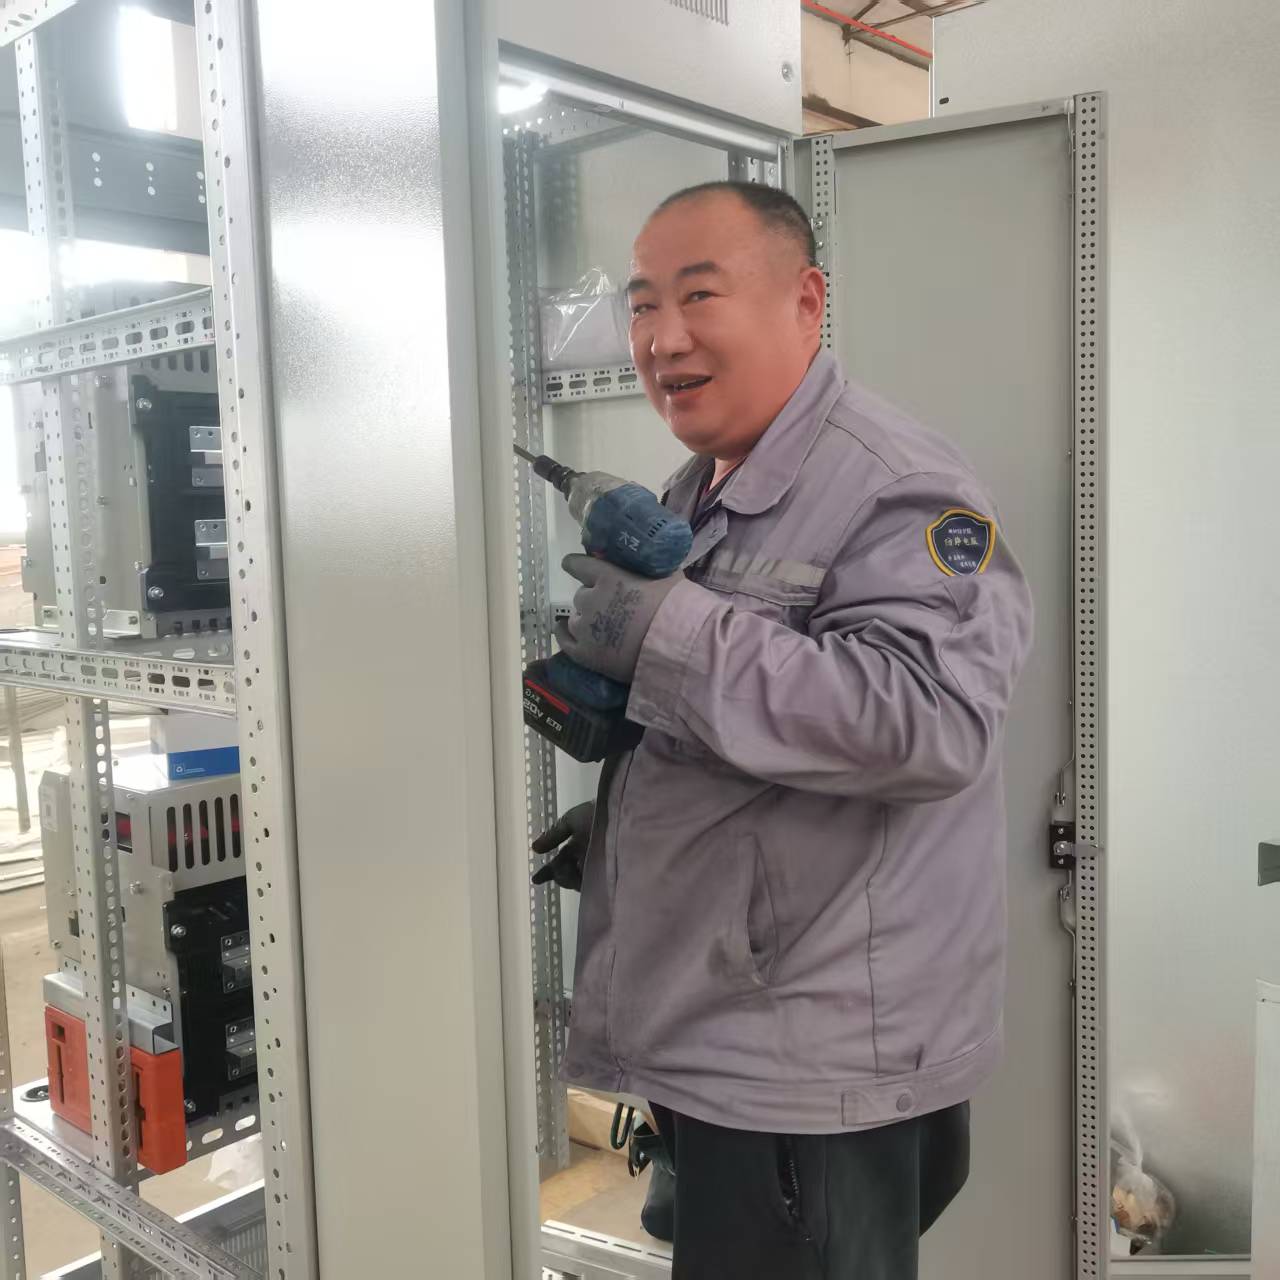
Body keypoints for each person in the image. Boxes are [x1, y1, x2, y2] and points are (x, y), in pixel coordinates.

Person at [533, 181, 1033, 1280]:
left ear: (806, 301)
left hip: (811, 1068)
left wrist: (668, 629)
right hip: (733, 1036)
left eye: (698, 295)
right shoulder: (702, 486)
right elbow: (752, 730)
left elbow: (929, 723)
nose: (662, 338)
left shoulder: (902, 490)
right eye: (641, 305)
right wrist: (632, 830)